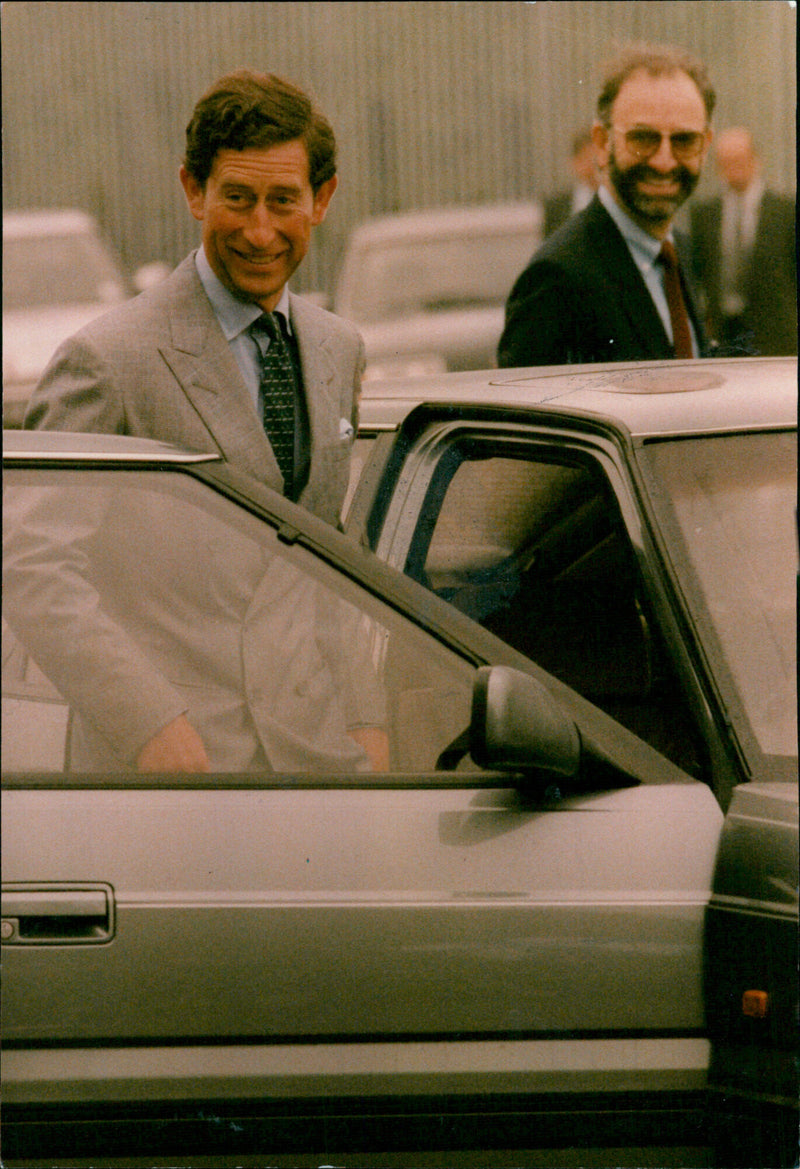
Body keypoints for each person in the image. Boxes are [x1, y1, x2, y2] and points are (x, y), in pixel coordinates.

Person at [24, 69, 363, 530]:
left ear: (321, 199)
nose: (261, 233)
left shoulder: (340, 348)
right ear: (194, 191)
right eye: (239, 198)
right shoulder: (106, 362)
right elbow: (36, 560)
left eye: (283, 201)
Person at [499, 43, 714, 368]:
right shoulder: (557, 278)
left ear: (705, 146)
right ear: (601, 143)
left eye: (684, 140)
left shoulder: (677, 252)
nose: (664, 161)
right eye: (643, 138)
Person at [689, 127, 797, 357]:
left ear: (756, 160)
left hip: (775, 338)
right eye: (725, 162)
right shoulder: (704, 215)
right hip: (723, 336)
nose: (733, 168)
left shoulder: (786, 212)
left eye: (739, 160)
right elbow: (695, 276)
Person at [542, 128, 599, 237]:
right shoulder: (556, 205)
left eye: (597, 160)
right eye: (588, 159)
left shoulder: (618, 201)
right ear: (574, 162)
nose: (593, 167)